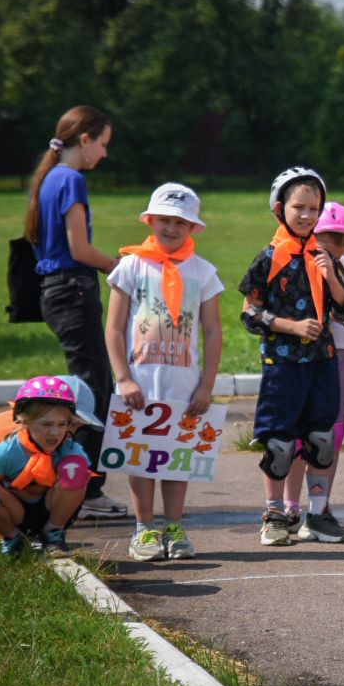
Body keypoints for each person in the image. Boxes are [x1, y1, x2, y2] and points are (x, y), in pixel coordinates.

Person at [106, 184, 225, 561]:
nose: (170, 228)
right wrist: (123, 377)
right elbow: (113, 327)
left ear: (192, 227)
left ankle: (174, 526)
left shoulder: (203, 273)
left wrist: (206, 384)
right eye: (164, 220)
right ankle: (144, 529)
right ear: (150, 220)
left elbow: (213, 331)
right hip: (138, 383)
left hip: (184, 384)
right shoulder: (130, 266)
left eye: (179, 222)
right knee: (139, 457)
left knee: (176, 457)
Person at [239, 167, 344, 546]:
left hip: (322, 362)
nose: (307, 216)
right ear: (279, 208)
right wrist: (292, 326)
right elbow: (249, 312)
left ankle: (318, 515)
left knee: (321, 439)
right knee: (280, 443)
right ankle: (274, 515)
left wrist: (332, 276)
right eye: (299, 207)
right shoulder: (268, 258)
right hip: (283, 363)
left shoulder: (324, 256)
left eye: (314, 208)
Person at [25, 104, 126, 519]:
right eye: (102, 144)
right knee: (93, 394)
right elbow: (79, 249)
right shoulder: (70, 179)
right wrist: (120, 267)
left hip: (59, 291)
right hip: (72, 290)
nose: (103, 154)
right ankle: (84, 492)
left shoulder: (52, 177)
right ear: (84, 139)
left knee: (94, 389)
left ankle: (80, 486)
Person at [281, 201, 344, 539]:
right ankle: (290, 505)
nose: (335, 246)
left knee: (330, 434)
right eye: (328, 237)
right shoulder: (292, 264)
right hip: (303, 358)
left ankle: (319, 508)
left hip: (342, 356)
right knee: (295, 434)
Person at [0, 376, 102, 525]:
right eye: (72, 423)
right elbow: (16, 470)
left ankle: (41, 531)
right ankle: (10, 531)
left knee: (72, 472)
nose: (72, 431)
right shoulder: (17, 430)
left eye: (76, 425)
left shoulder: (33, 425)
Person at [0, 376, 93, 557]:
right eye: (46, 424)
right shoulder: (4, 452)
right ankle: (12, 538)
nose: (55, 432)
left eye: (62, 424)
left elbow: (78, 481)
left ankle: (53, 534)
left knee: (76, 469)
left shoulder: (70, 449)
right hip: (16, 511)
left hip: (51, 509)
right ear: (24, 421)